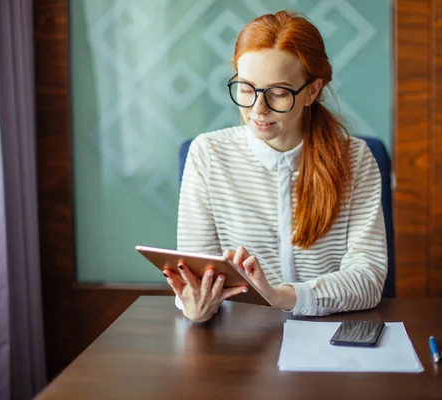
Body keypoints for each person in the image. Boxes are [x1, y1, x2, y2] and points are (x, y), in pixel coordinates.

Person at [164, 10, 387, 323]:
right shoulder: (208, 154)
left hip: (331, 334)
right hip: (241, 341)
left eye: (279, 93)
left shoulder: (356, 158)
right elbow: (198, 274)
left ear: (312, 91)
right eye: (245, 88)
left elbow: (369, 279)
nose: (258, 109)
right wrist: (196, 306)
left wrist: (278, 296)